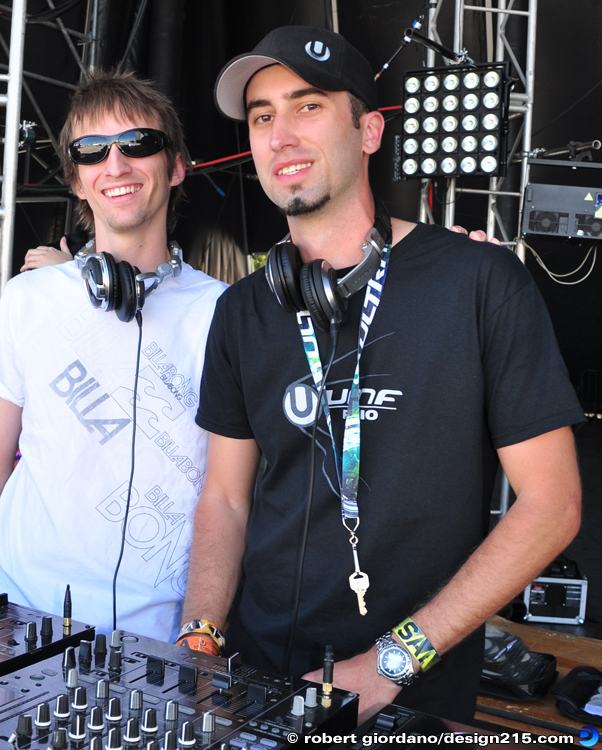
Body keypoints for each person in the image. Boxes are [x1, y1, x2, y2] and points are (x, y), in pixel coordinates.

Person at [179, 26, 583, 723]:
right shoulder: (244, 309)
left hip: (409, 691)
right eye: (262, 116)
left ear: (369, 131)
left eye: (307, 106)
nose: (280, 135)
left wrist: (392, 662)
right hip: (256, 677)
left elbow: (553, 506)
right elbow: (225, 498)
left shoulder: (480, 283)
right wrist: (202, 632)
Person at [0, 70, 228, 642]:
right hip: (16, 607)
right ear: (77, 182)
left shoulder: (224, 313)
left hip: (159, 631)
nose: (116, 165)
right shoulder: (31, 298)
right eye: (92, 151)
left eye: (139, 145)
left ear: (176, 166)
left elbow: (230, 495)